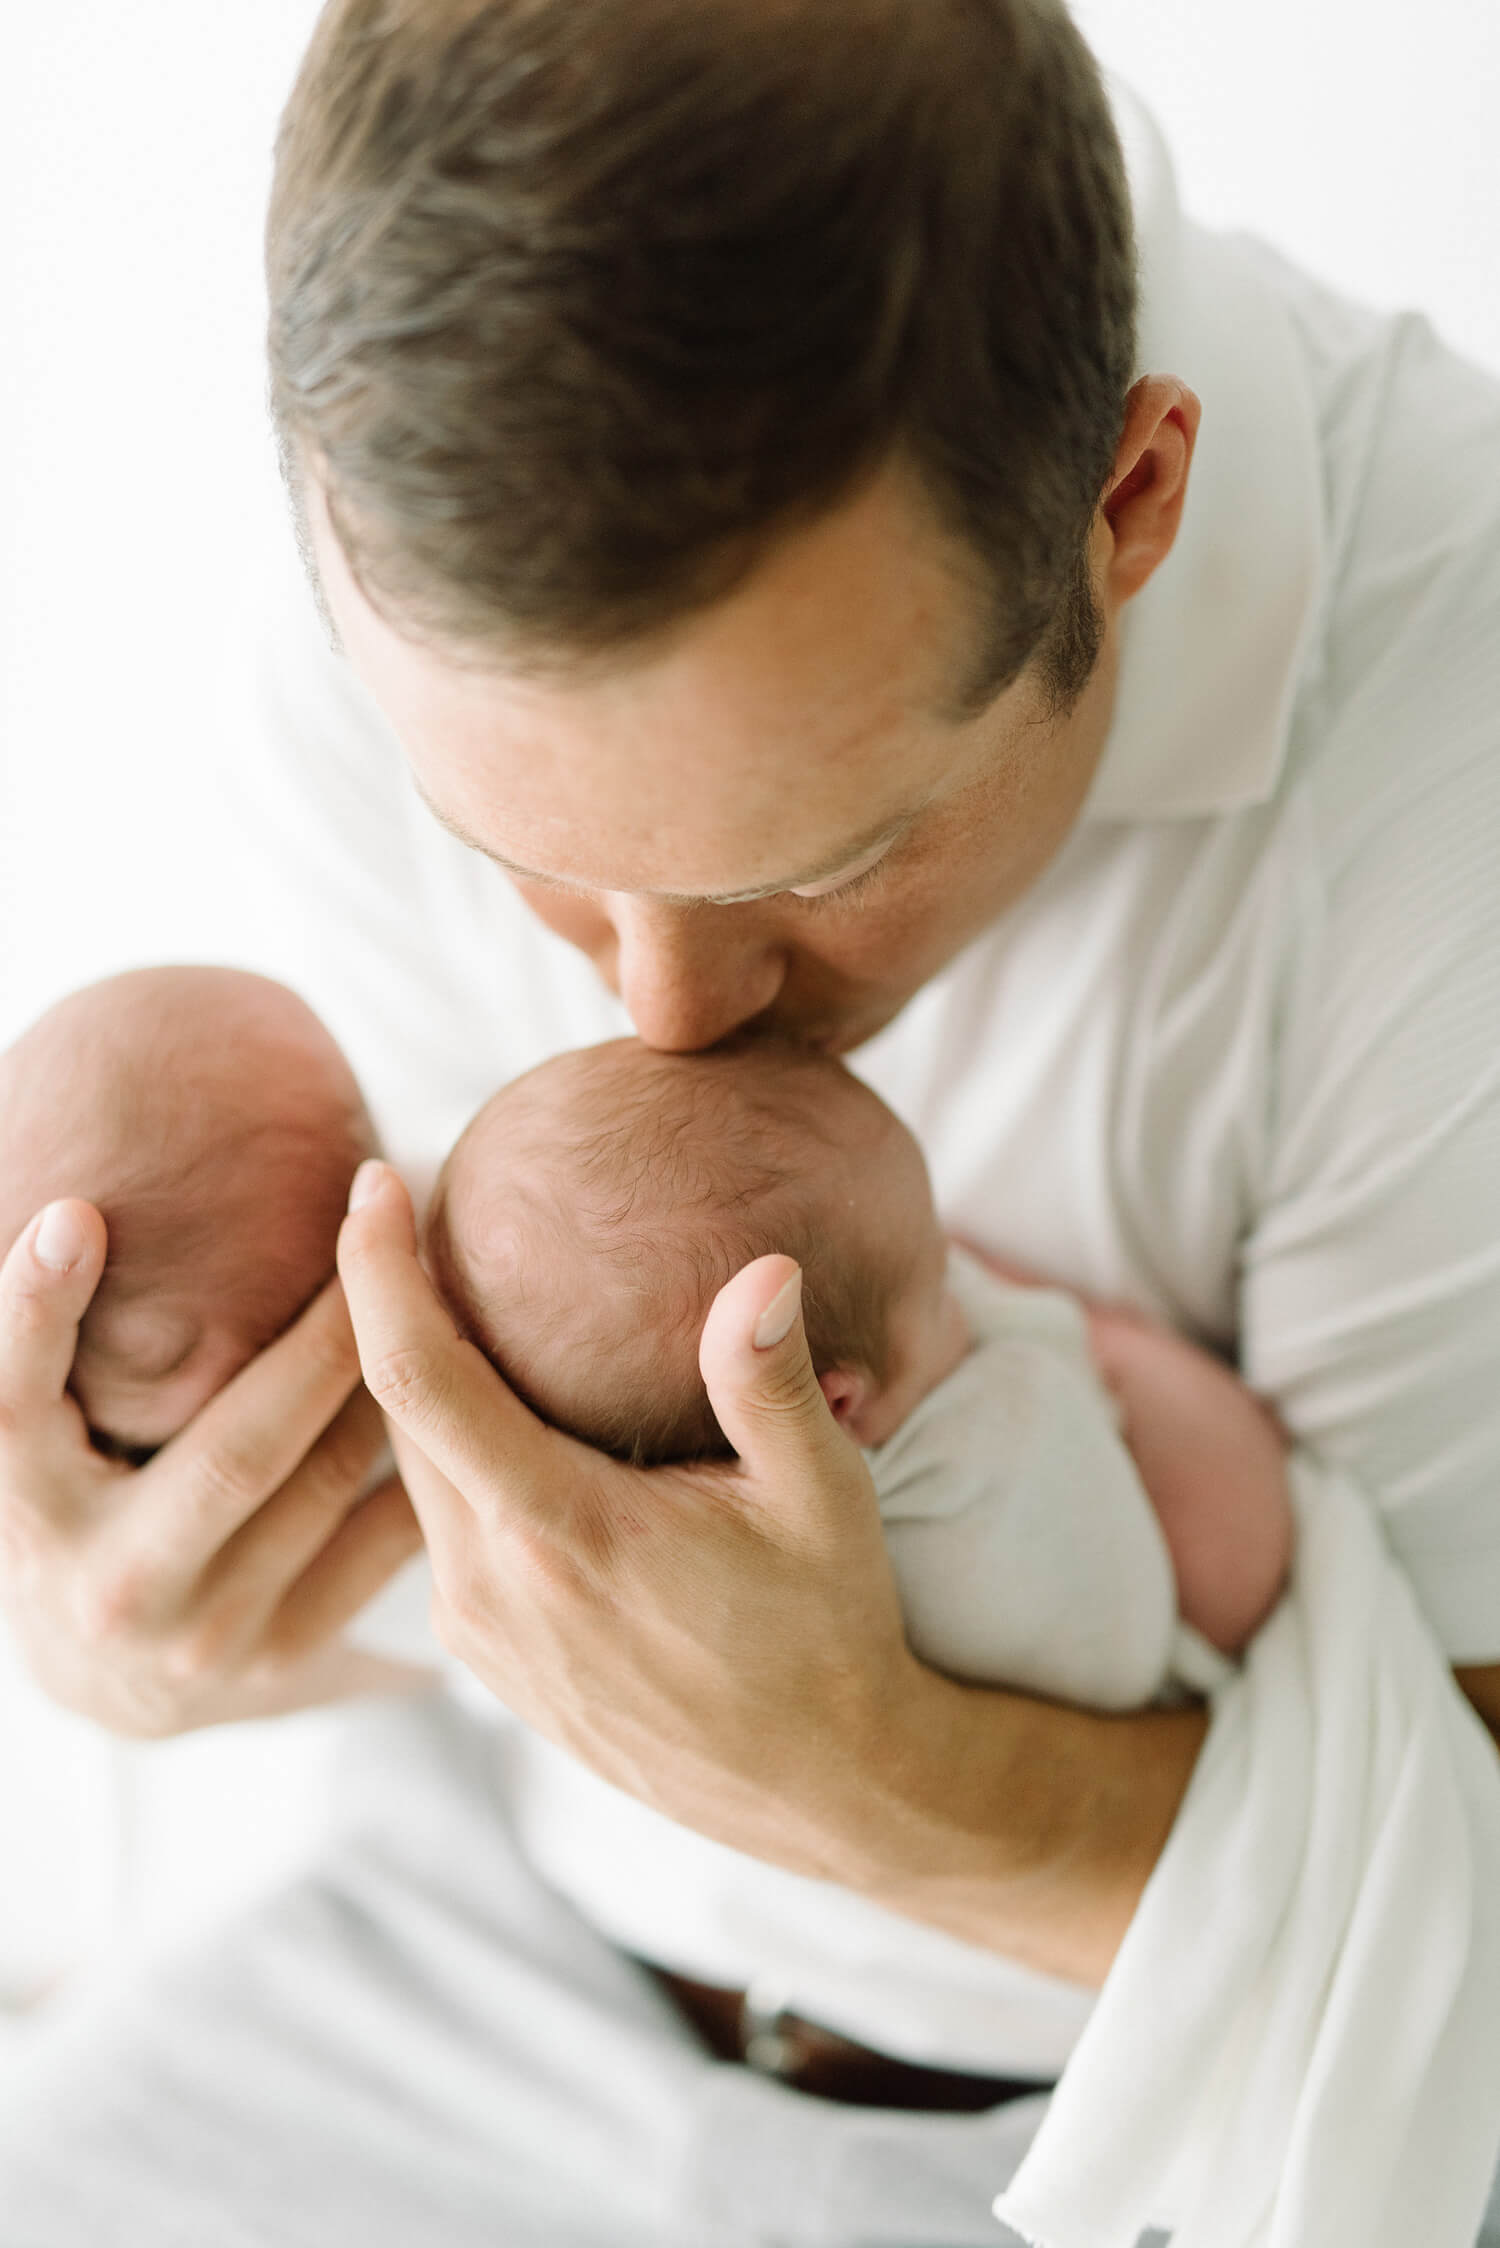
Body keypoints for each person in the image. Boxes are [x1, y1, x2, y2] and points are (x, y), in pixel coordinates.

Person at [0, 0, 1497, 2240]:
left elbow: (1458, 1947)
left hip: (1131, 2109)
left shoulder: (1449, 764)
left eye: (819, 859)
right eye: (522, 847)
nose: (661, 1001)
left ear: (1132, 502)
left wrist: (899, 1782)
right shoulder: (393, 586)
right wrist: (146, 1633)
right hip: (477, 1951)